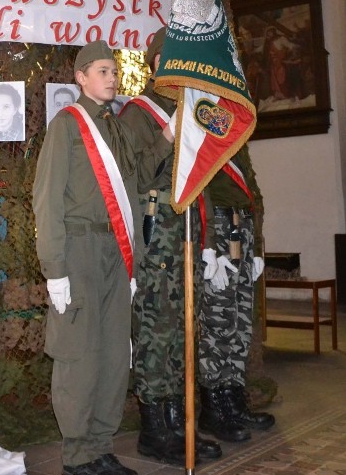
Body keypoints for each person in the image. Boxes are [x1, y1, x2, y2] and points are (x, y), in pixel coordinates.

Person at [33, 40, 174, 475]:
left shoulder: (116, 127)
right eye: (101, 71)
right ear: (80, 78)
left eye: (114, 71)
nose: (111, 78)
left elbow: (135, 182)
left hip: (116, 251)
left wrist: (169, 138)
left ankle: (100, 445)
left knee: (115, 353)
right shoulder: (67, 126)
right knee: (80, 354)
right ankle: (78, 456)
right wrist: (55, 270)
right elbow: (47, 200)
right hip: (79, 252)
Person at [119, 28, 221, 465]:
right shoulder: (135, 115)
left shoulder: (193, 109)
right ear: (156, 63)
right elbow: (134, 177)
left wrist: (211, 240)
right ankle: (155, 429)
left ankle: (179, 420)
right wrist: (167, 136)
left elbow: (206, 176)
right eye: (172, 59)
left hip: (188, 233)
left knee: (184, 330)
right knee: (156, 332)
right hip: (157, 238)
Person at [197, 145, 275, 443]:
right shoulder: (200, 121)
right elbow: (197, 188)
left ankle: (234, 399)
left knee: (241, 321)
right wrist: (207, 245)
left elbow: (250, 190)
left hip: (240, 224)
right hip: (217, 225)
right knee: (219, 320)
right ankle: (214, 409)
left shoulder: (234, 130)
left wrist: (254, 243)